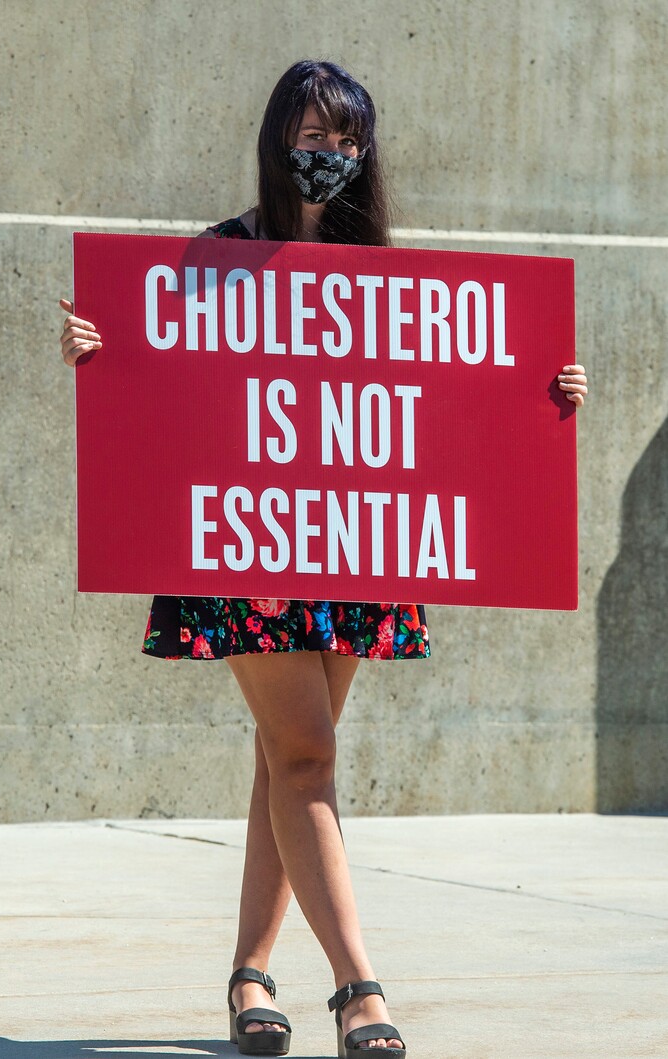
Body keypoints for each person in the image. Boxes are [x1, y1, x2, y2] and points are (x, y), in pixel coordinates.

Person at [60, 59, 588, 1058]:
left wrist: (545, 390)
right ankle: (359, 986)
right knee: (305, 755)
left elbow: (452, 396)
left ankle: (250, 974)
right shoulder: (213, 260)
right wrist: (100, 349)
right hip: (243, 548)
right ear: (274, 140)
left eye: (347, 143)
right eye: (312, 136)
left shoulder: (383, 275)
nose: (328, 157)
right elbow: (153, 374)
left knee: (287, 761)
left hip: (354, 546)